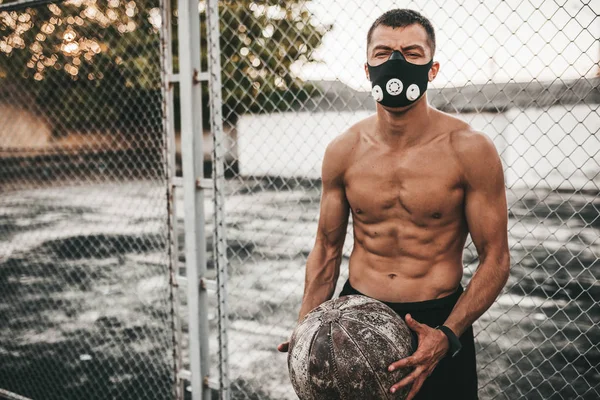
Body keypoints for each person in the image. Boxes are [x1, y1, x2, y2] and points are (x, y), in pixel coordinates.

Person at [277, 8, 510, 400]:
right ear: (367, 69)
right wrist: (307, 327)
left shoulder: (470, 149)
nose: (396, 62)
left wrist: (448, 336)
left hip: (437, 321)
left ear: (432, 69)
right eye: (383, 52)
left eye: (412, 53)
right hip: (356, 319)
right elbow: (327, 248)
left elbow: (496, 258)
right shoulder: (344, 150)